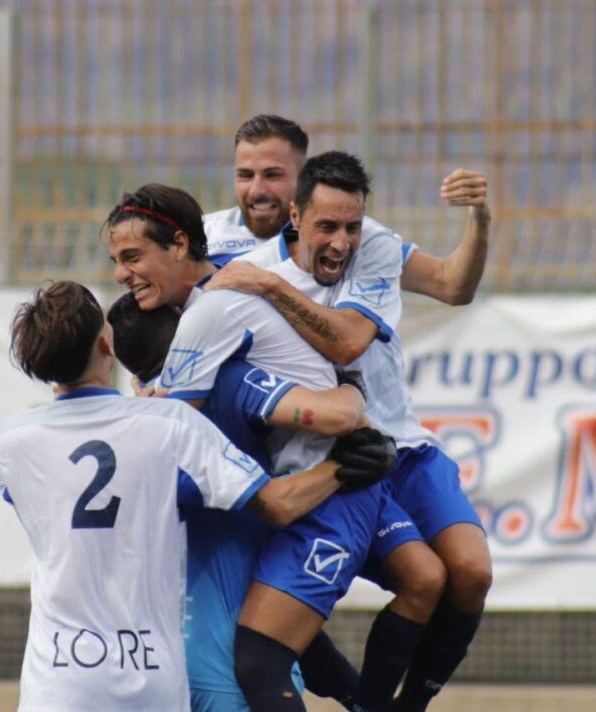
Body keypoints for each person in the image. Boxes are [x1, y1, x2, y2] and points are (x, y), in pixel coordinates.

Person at [106, 186, 448, 712]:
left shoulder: (227, 347)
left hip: (325, 489)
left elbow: (322, 434)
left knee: (263, 652)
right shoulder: (210, 311)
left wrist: (350, 410)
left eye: (131, 258)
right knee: (420, 579)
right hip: (318, 482)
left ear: (178, 245)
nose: (121, 274)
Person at [0, 280, 390, 711]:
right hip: (150, 680)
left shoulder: (11, 441)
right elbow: (279, 504)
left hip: (56, 683)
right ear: (107, 345)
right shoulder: (168, 424)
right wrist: (343, 467)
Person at [207, 151, 493, 711]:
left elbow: (447, 290)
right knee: (422, 580)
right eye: (248, 174)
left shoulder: (373, 248)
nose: (342, 241)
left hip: (400, 449)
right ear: (297, 214)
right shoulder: (234, 264)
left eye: (352, 226)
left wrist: (481, 218)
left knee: (471, 571)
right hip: (334, 467)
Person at [205, 113, 490, 307]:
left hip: (364, 398)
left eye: (272, 175)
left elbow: (452, 285)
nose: (257, 190)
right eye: (245, 175)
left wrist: (479, 216)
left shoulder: (360, 238)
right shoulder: (204, 236)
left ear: (304, 177)